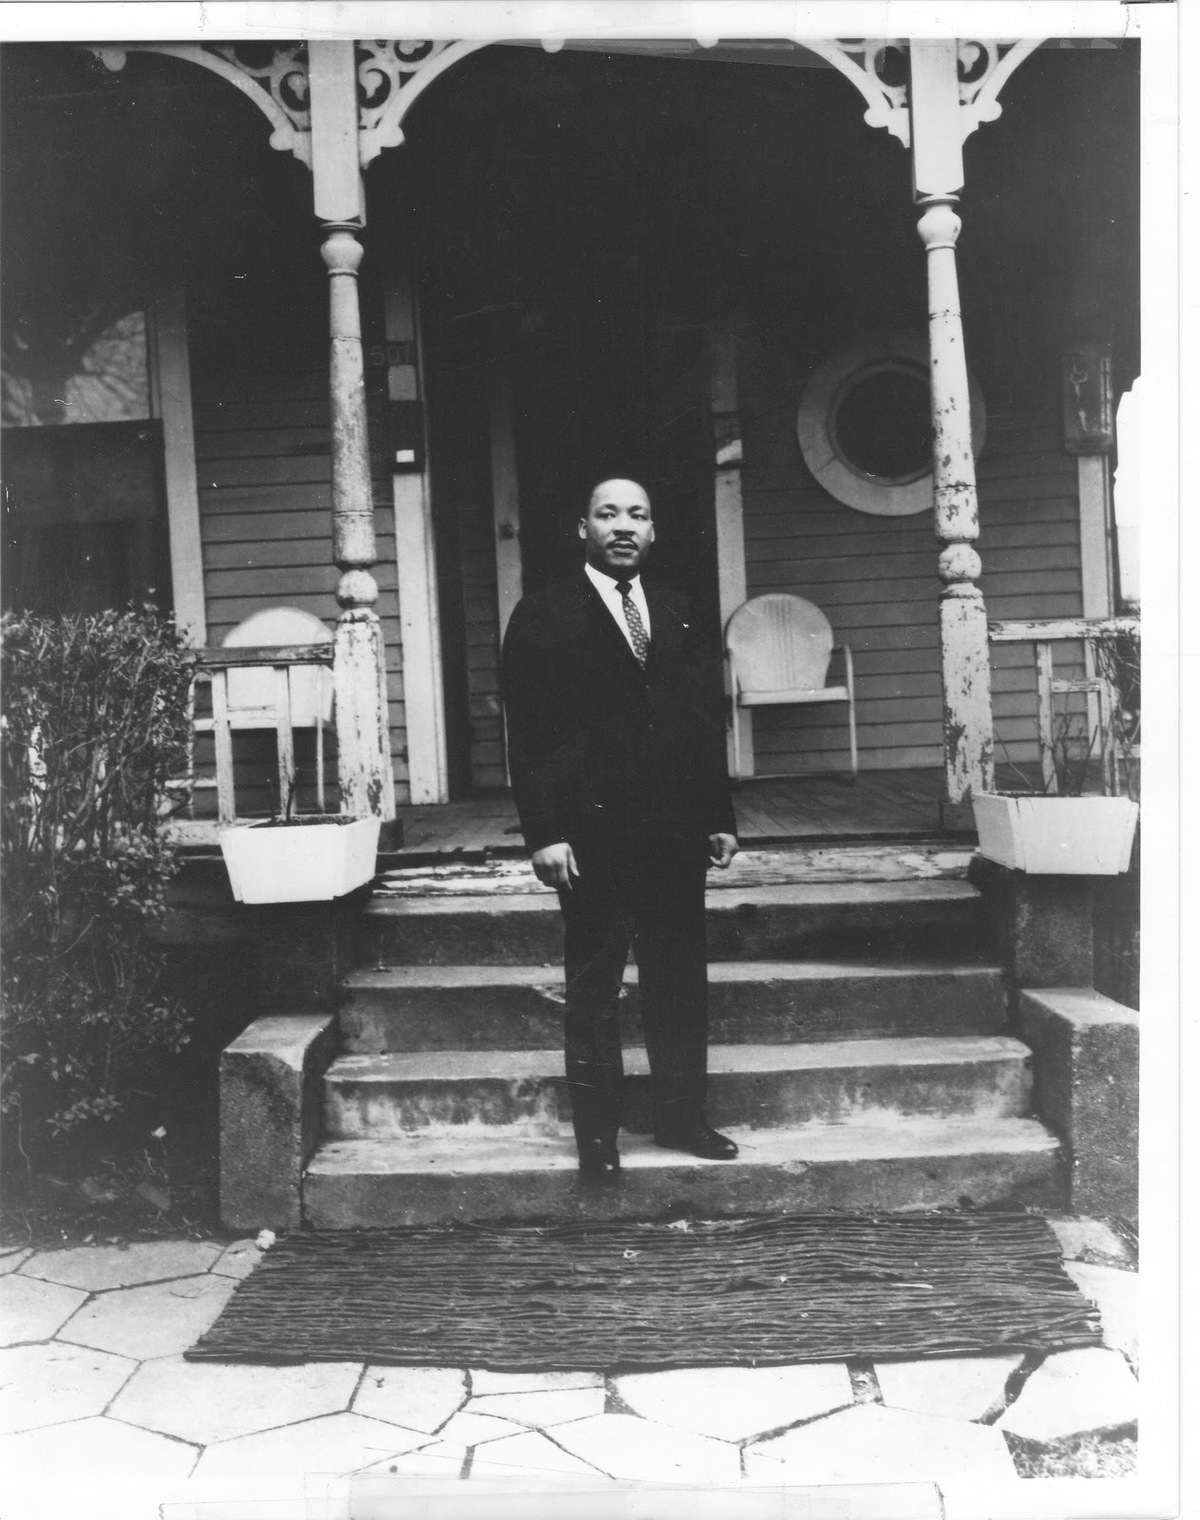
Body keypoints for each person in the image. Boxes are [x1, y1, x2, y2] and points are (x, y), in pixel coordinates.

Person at [501, 477, 740, 1179]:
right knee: (595, 986)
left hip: (674, 831)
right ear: (584, 527)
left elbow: (702, 722)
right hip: (590, 835)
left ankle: (682, 1118)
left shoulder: (680, 610)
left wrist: (717, 815)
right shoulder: (543, 615)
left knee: (679, 980)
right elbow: (531, 735)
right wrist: (544, 832)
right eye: (608, 513)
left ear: (654, 530)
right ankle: (598, 1140)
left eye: (638, 514)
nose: (624, 526)